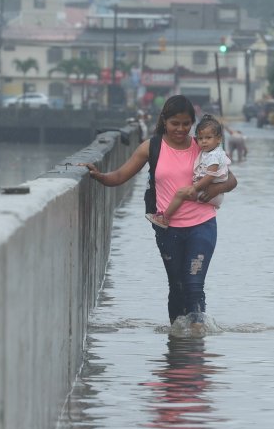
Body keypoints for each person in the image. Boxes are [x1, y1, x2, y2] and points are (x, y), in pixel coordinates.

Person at [79, 95, 237, 330]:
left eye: (186, 124)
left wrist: (213, 188)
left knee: (194, 285)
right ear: (164, 121)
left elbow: (231, 180)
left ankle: (196, 339)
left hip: (202, 225)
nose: (181, 129)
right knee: (176, 285)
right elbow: (121, 176)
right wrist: (99, 176)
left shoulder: (203, 146)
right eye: (175, 123)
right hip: (168, 228)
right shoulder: (151, 147)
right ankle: (177, 343)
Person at [146, 114, 231, 229]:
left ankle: (164, 218)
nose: (204, 142)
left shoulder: (213, 156)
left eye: (208, 138)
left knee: (181, 194)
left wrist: (195, 188)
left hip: (209, 192)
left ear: (219, 139)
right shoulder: (214, 152)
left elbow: (210, 175)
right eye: (200, 138)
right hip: (213, 193)